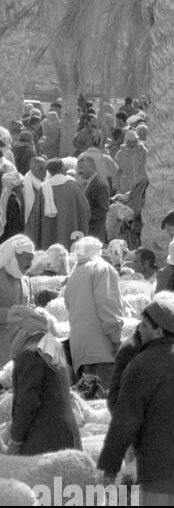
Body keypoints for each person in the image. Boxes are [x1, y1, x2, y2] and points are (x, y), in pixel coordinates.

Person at [98, 294, 174, 506]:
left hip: (159, 474)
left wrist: (109, 468)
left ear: (158, 330)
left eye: (144, 326)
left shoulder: (140, 364)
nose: (140, 330)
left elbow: (124, 421)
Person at [6, 306, 80, 455]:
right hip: (65, 437)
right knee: (61, 478)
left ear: (20, 329)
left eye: (10, 328)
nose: (8, 333)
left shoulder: (29, 354)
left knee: (51, 478)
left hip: (44, 443)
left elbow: (27, 402)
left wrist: (15, 441)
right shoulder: (52, 346)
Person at [64, 236, 124, 387]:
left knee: (86, 400)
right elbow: (108, 305)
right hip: (102, 350)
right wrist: (116, 338)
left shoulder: (74, 274)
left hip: (80, 350)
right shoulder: (103, 269)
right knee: (103, 402)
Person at [25, 158, 90, 250]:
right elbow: (85, 209)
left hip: (49, 231)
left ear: (49, 171)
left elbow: (35, 216)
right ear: (63, 168)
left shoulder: (43, 188)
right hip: (70, 228)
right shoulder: (73, 186)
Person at [0, 234, 34, 366]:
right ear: (14, 256)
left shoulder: (26, 280)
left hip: (20, 349)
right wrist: (7, 315)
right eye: (27, 259)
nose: (30, 265)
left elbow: (31, 304)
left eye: (32, 260)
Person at [76, 154, 111, 241]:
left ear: (91, 167)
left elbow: (103, 209)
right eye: (78, 168)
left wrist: (84, 217)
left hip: (95, 232)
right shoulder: (83, 184)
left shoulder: (100, 186)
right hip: (86, 231)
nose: (79, 171)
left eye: (81, 168)